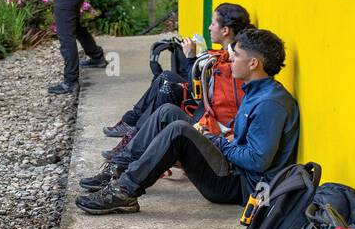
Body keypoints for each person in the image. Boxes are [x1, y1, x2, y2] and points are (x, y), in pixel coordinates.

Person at [74, 28, 299, 215]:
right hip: (232, 167)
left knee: (179, 130)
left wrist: (216, 142)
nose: (230, 59)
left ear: (253, 63)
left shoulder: (271, 103)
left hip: (238, 185)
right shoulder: (256, 91)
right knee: (167, 112)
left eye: (236, 55)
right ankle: (119, 170)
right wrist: (219, 138)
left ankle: (124, 192)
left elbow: (257, 162)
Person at [103, 3, 252, 142]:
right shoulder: (231, 51)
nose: (209, 28)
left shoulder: (231, 59)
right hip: (205, 106)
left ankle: (136, 134)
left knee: (167, 88)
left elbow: (199, 93)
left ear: (225, 30)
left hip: (205, 116)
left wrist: (190, 58)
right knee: (165, 76)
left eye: (213, 23)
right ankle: (131, 123)